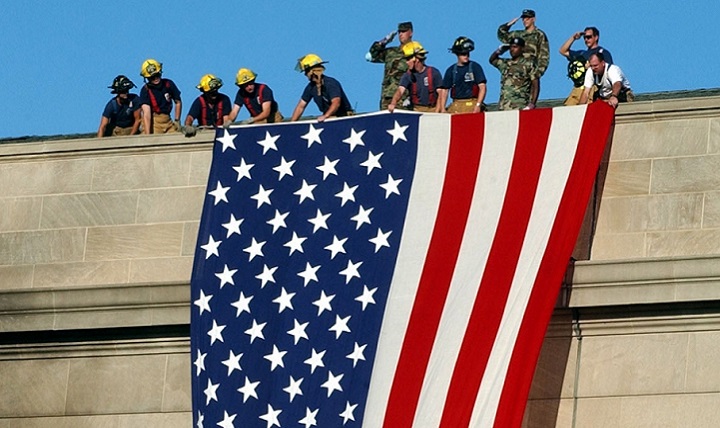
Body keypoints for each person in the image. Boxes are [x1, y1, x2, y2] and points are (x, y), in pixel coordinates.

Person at [497, 9, 549, 97]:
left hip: (531, 69)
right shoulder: (518, 34)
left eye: (528, 18)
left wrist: (537, 73)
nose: (525, 20)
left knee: (530, 97)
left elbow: (544, 56)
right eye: (523, 18)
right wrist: (509, 24)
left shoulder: (539, 35)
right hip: (518, 70)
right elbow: (501, 35)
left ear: (533, 19)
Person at [290, 54, 353, 122]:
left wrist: (326, 116)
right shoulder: (310, 87)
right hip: (329, 119)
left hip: (343, 118)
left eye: (306, 71)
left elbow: (336, 102)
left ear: (312, 71)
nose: (305, 74)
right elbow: (301, 106)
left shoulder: (330, 83)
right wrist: (291, 124)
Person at [559, 27, 614, 105]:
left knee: (586, 110)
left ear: (596, 37)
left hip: (592, 88)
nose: (586, 40)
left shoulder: (602, 53)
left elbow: (608, 71)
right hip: (578, 88)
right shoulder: (582, 53)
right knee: (568, 111)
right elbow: (562, 51)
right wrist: (573, 38)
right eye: (584, 37)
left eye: (589, 37)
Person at [367, 21, 414, 110]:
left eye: (404, 32)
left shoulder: (415, 51)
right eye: (399, 32)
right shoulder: (391, 52)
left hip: (403, 96)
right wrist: (384, 41)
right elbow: (371, 56)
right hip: (386, 95)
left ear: (410, 32)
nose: (401, 34)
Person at [388, 41, 443, 113]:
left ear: (416, 59)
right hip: (417, 110)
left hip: (433, 109)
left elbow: (441, 94)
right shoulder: (407, 76)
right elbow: (400, 91)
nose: (407, 62)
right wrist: (393, 103)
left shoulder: (434, 73)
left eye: (408, 59)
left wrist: (436, 112)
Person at [438, 36, 487, 114]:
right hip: (456, 105)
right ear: (457, 54)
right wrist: (443, 108)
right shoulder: (451, 70)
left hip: (472, 103)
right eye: (463, 54)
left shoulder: (475, 67)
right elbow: (445, 90)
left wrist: (478, 105)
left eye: (467, 53)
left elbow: (482, 87)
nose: (466, 56)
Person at [489, 37, 539, 111]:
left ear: (522, 48)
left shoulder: (528, 64)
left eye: (515, 47)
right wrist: (499, 51)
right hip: (503, 107)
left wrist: (532, 104)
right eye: (510, 47)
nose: (512, 49)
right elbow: (492, 60)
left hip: (520, 106)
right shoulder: (506, 63)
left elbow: (535, 85)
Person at [138, 59, 182, 134]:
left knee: (178, 138)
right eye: (152, 77)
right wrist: (147, 135)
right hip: (154, 122)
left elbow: (178, 102)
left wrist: (177, 120)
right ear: (147, 78)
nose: (155, 79)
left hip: (168, 121)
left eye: (157, 75)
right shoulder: (145, 90)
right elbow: (146, 114)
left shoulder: (168, 84)